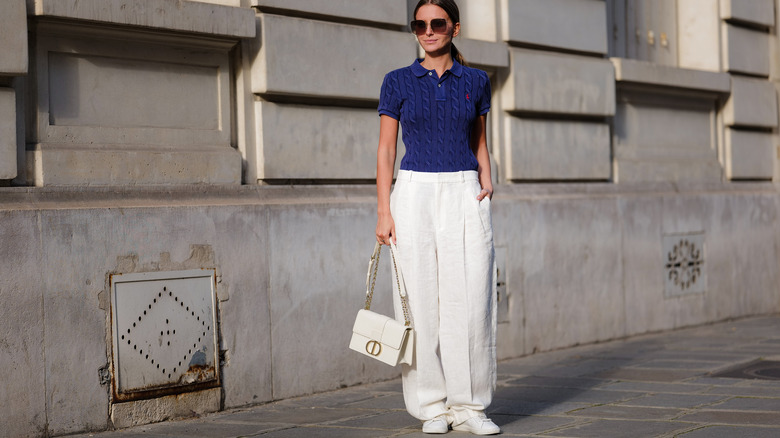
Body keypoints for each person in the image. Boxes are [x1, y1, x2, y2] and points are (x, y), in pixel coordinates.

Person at [374, 0, 499, 435]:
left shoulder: (477, 81)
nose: (428, 31)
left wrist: (486, 176)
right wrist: (383, 210)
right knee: (420, 303)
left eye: (437, 23)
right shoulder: (397, 81)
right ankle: (431, 406)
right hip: (413, 194)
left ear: (454, 28)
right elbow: (387, 150)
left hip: (464, 191)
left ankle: (470, 406)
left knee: (471, 301)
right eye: (420, 24)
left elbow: (479, 139)